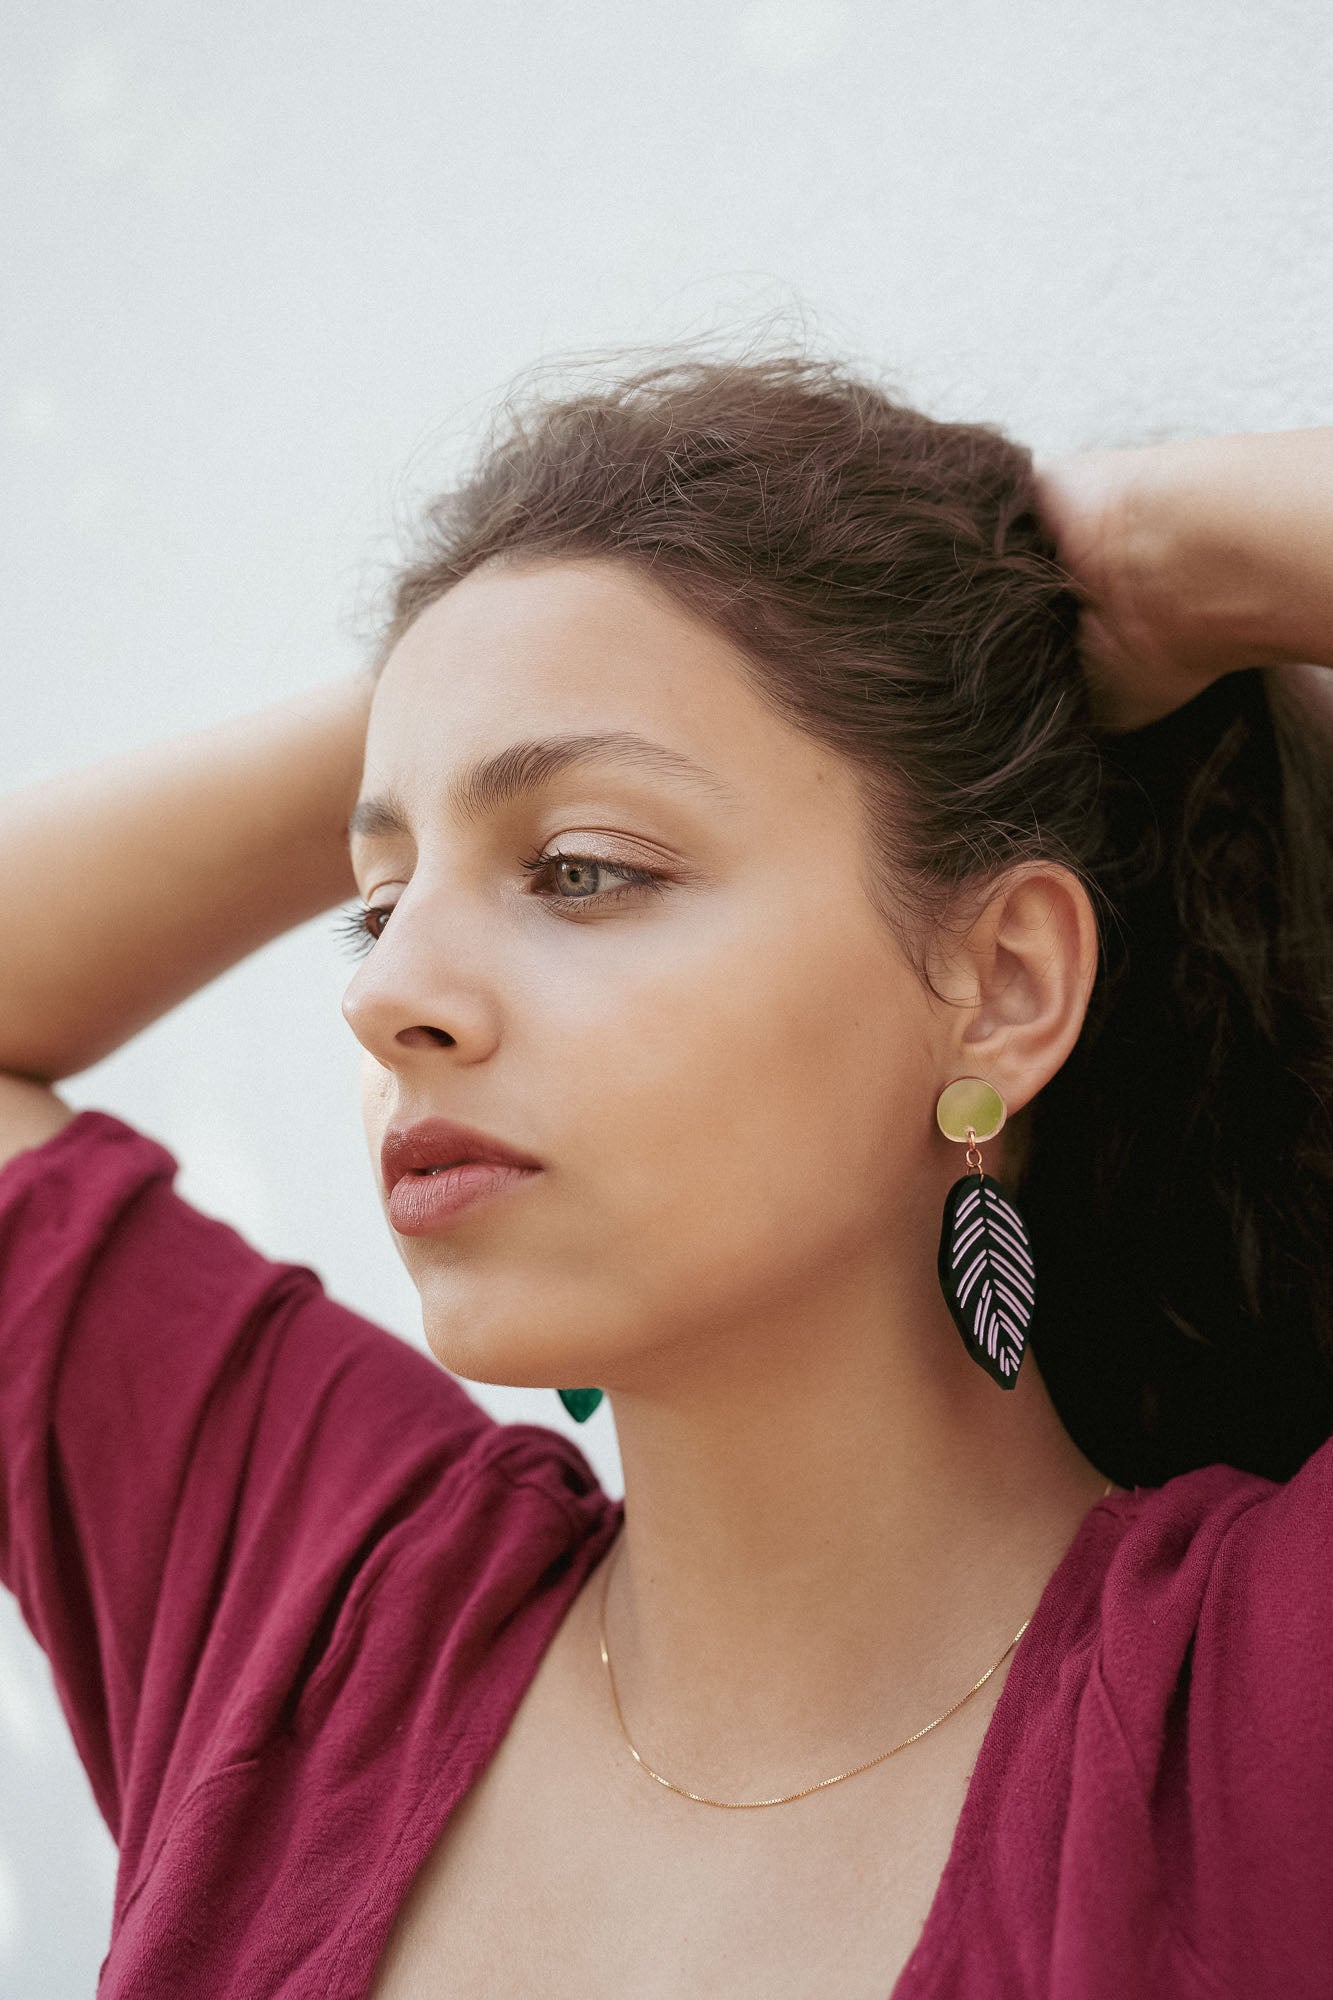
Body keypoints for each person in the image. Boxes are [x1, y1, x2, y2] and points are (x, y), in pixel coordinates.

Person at [0, 351, 1329, 2000]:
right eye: (379, 903)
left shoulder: (1261, 1708)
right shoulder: (321, 1631)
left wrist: (1152, 559)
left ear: (1000, 986)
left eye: (581, 869)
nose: (385, 991)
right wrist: (474, 669)